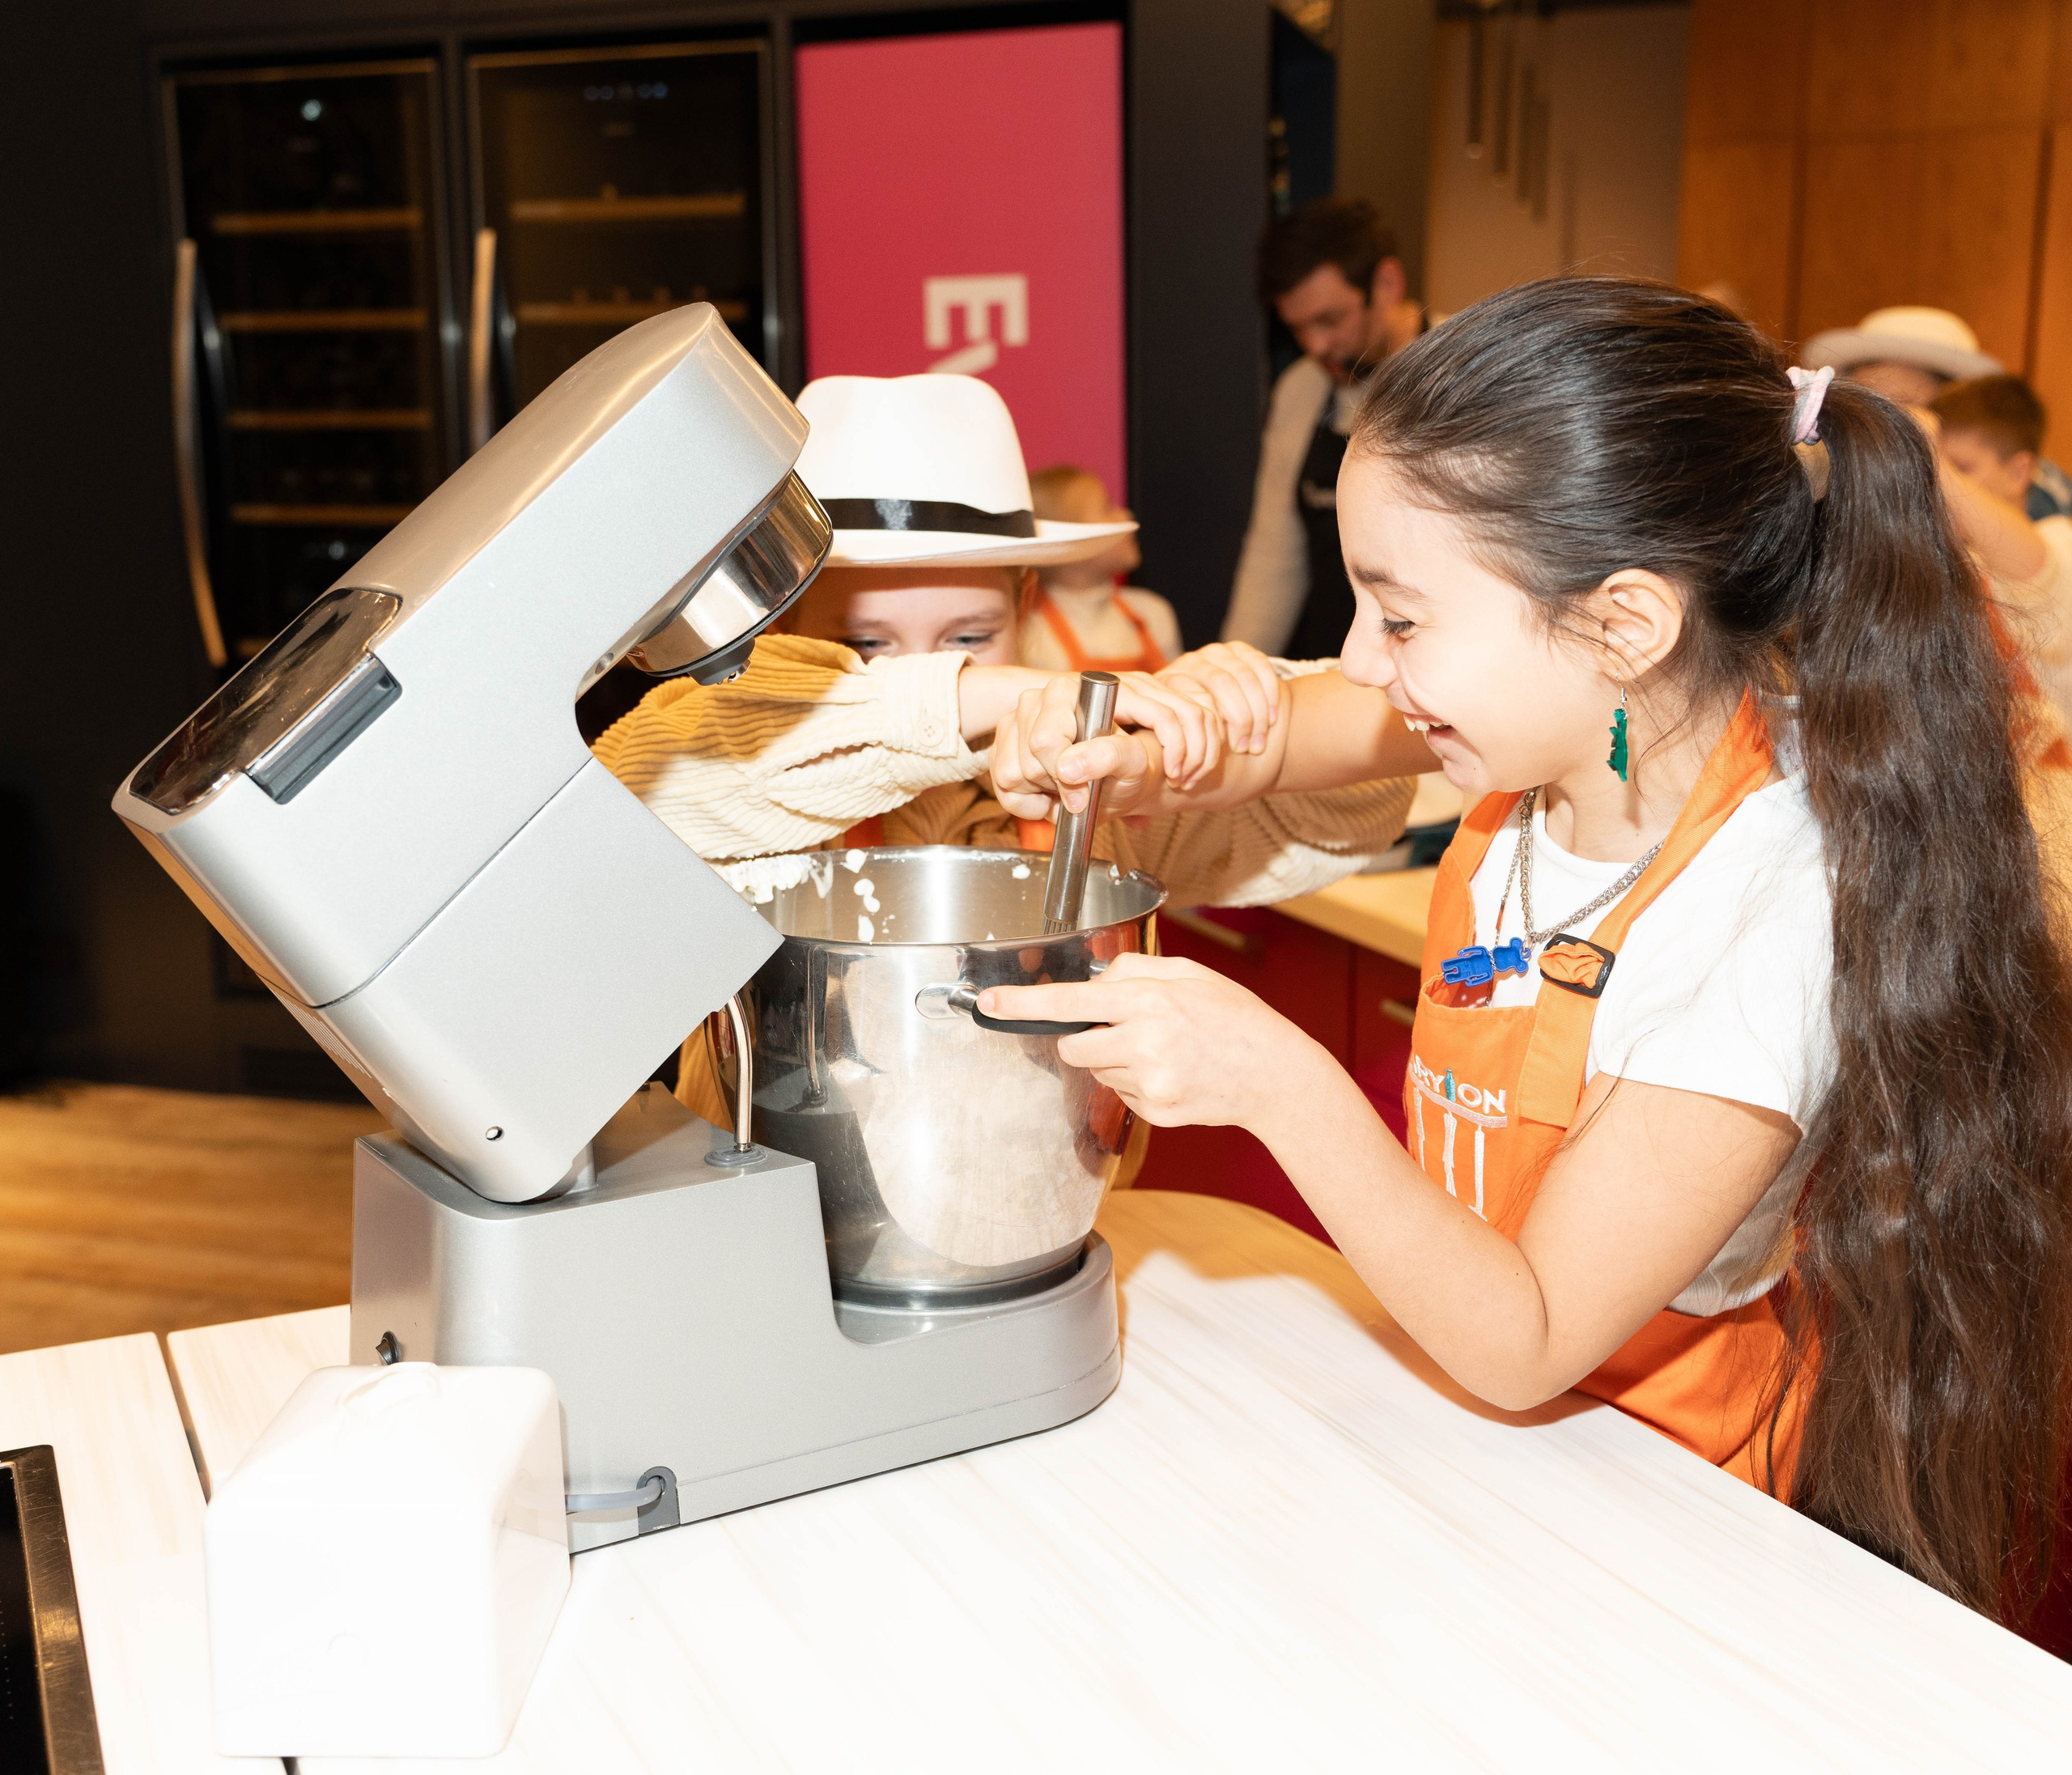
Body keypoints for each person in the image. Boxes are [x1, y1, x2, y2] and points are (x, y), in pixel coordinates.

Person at [985, 278, 2072, 1628]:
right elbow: (1284, 735)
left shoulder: (1771, 903)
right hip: (1466, 1437)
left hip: (1655, 1521)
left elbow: (1532, 1334)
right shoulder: (1559, 726)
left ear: (1623, 624)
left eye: (1400, 616)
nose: (1361, 664)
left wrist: (1276, 1081)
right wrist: (1148, 741)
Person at [591, 371, 1425, 1136]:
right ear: (784, 630)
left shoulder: (1085, 792)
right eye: (866, 644)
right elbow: (634, 787)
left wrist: (1238, 720)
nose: (930, 665)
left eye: (970, 638)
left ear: (1025, 606)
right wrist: (988, 698)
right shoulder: (734, 758)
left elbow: (1359, 797)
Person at [1223, 197, 1426, 660]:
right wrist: (1231, 668)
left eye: (1330, 320)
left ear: (1387, 283)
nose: (1315, 345)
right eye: (1298, 329)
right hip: (1331, 663)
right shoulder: (1301, 390)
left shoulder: (1468, 371)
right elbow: (1273, 557)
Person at [1802, 307, 2072, 518]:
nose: (1878, 422)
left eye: (1903, 405)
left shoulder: (2037, 498)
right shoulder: (1824, 466)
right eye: (1865, 402)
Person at [1929, 375, 2072, 725]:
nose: (1937, 486)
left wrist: (1933, 458)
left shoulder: (2058, 538)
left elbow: (2035, 569)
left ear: (2019, 472)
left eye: (1961, 468)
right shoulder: (1947, 558)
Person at [1017, 465, 1181, 674]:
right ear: (1070, 540)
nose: (1126, 515)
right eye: (1107, 508)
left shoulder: (1152, 613)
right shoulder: (1031, 631)